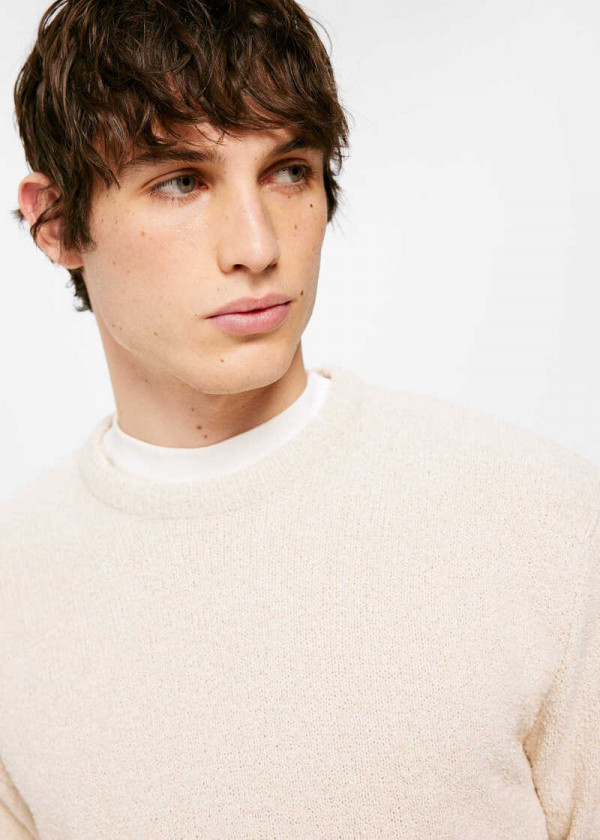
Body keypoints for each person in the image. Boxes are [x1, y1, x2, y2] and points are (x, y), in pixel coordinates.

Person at [1, 0, 598, 837]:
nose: (257, 246)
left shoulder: (542, 520)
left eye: (288, 171)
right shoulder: (14, 594)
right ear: (56, 221)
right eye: (181, 181)